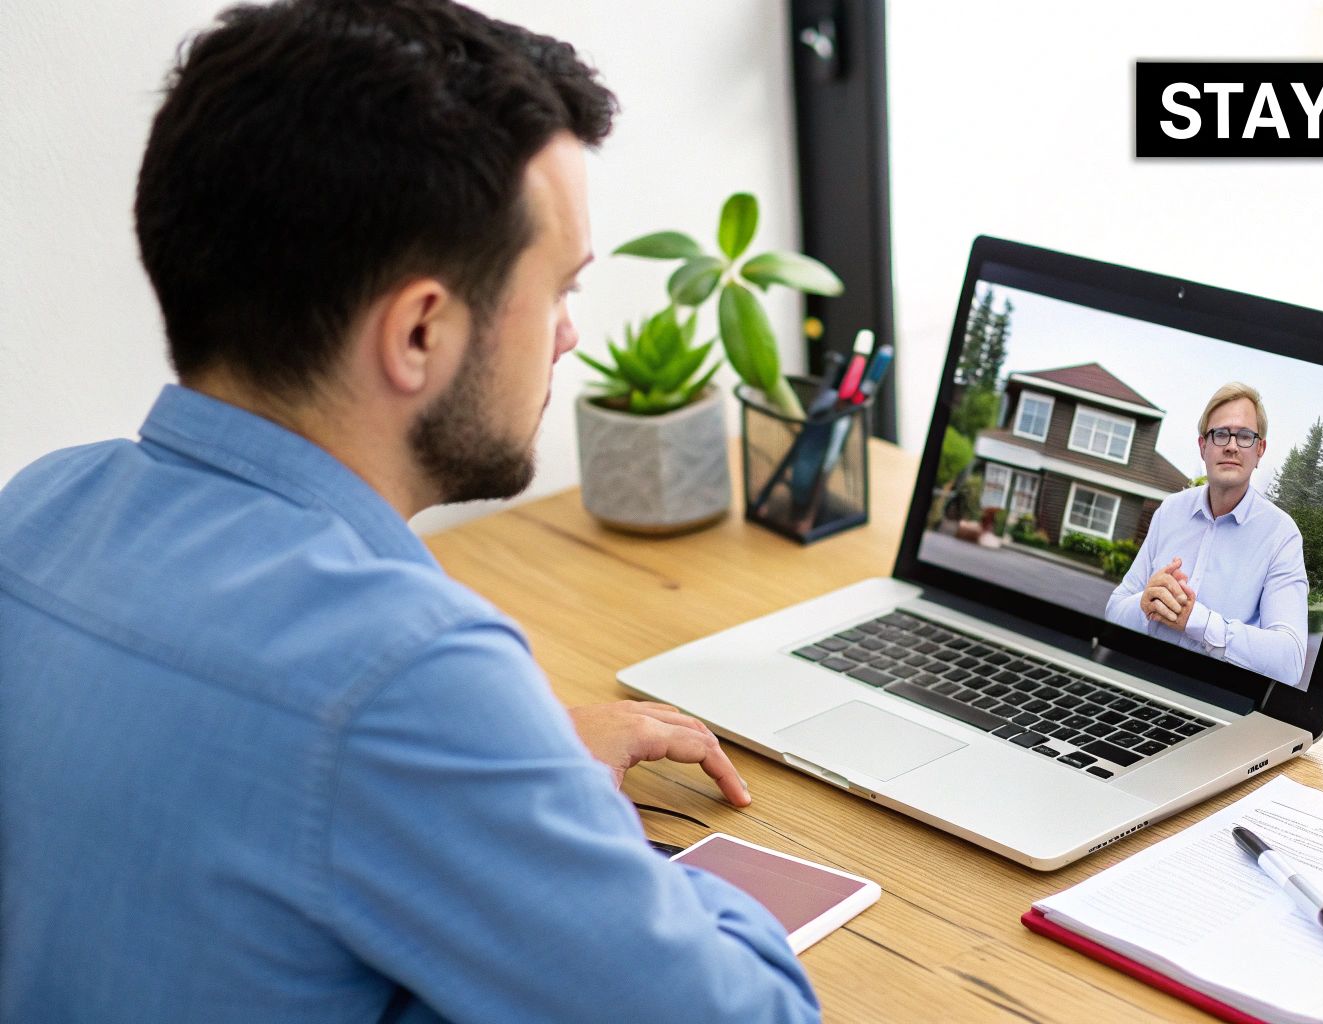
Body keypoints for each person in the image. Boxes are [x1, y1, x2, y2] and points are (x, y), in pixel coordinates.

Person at [0, 2, 819, 1021]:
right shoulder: (401, 671)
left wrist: (499, 780)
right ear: (421, 331)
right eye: (556, 289)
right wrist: (561, 829)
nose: (567, 336)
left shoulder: (37, 514)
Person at [1104, 382, 1309, 686]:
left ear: (1260, 450)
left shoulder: (1281, 535)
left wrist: (1197, 621)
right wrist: (1145, 604)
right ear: (1203, 446)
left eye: (1245, 436)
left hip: (1214, 699)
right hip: (1135, 681)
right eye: (1220, 434)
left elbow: (1289, 661)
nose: (1231, 445)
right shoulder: (1170, 510)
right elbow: (1114, 612)